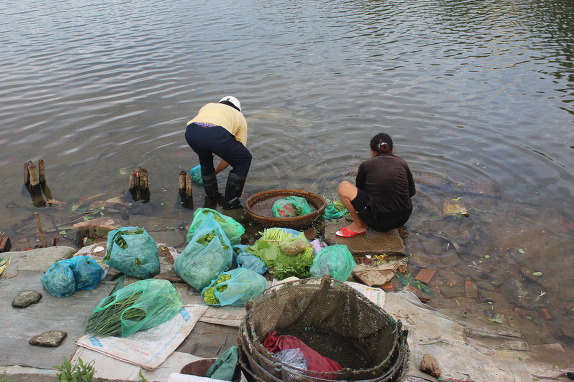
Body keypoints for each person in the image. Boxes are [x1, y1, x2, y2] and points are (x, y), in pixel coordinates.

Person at [336, 133, 415, 237]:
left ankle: (359, 225)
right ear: (393, 150)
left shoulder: (366, 165)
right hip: (403, 219)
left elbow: (359, 191)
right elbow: (411, 192)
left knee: (344, 187)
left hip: (378, 223)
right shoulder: (402, 163)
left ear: (372, 151)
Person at [185, 96, 251, 209]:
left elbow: (205, 130)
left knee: (205, 159)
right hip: (217, 133)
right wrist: (216, 171)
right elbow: (231, 159)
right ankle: (231, 202)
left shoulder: (209, 106)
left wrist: (214, 147)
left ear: (220, 103)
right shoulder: (239, 116)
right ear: (237, 109)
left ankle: (211, 196)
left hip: (191, 132)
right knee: (244, 160)